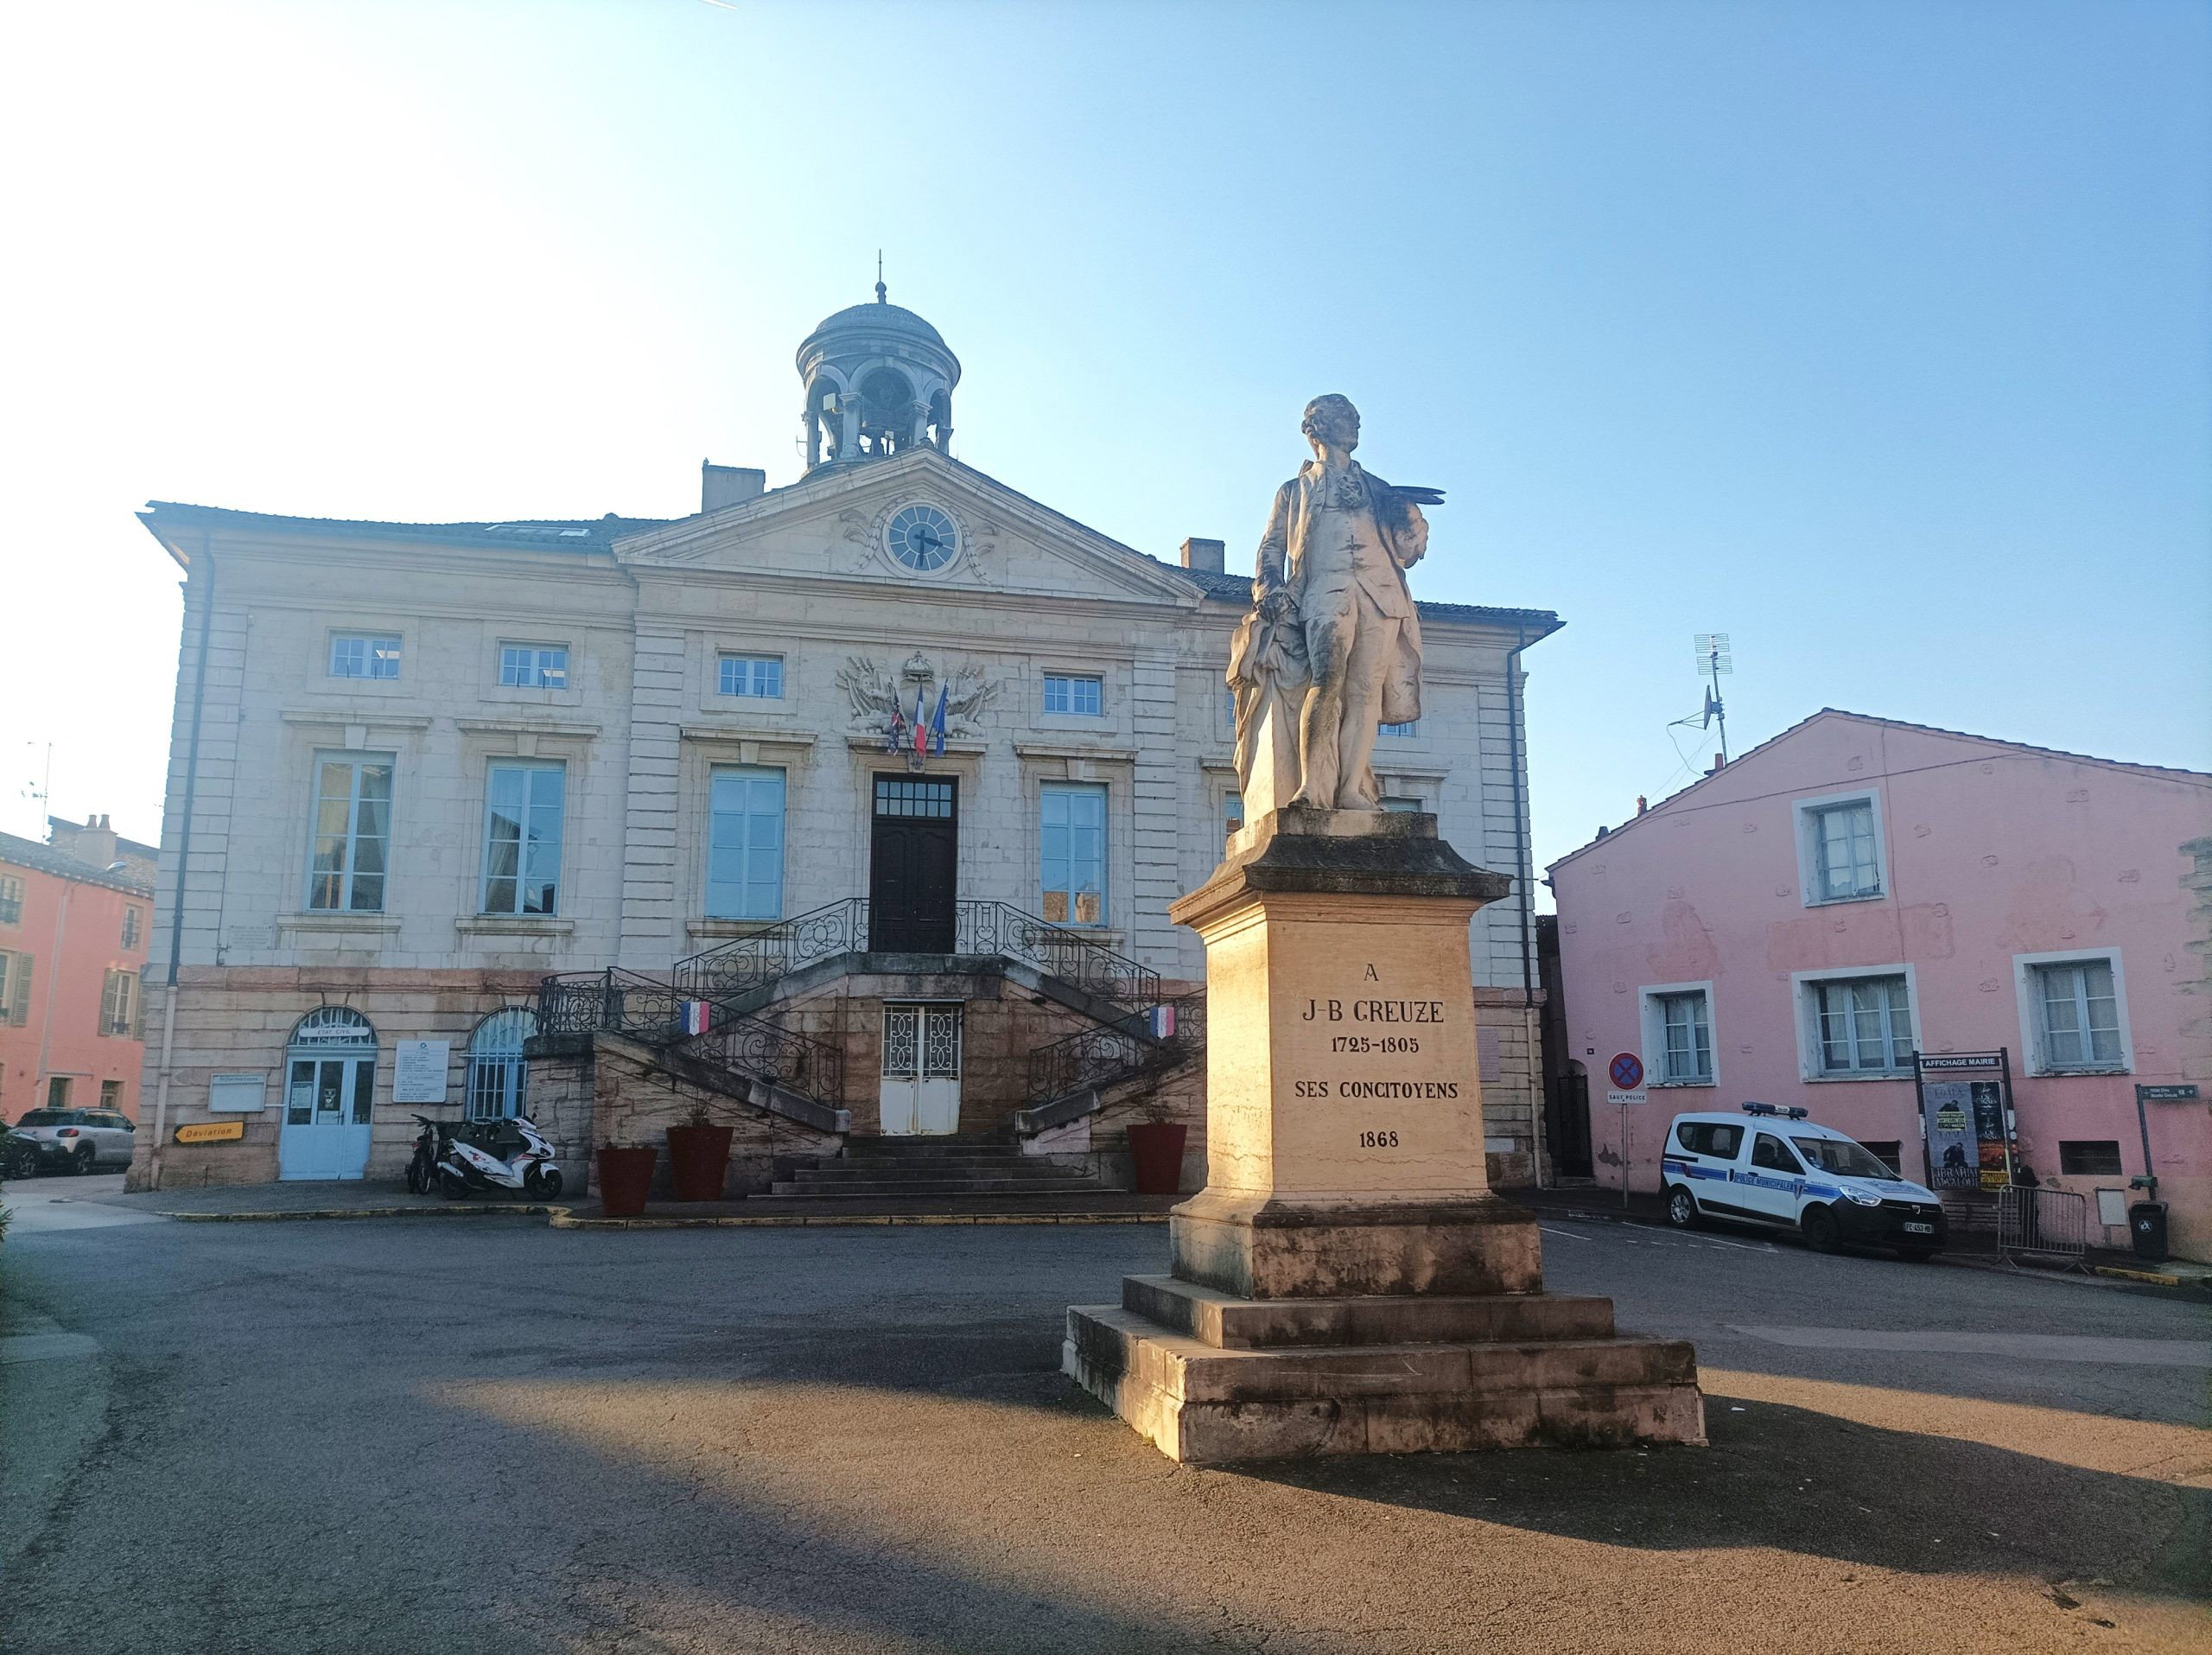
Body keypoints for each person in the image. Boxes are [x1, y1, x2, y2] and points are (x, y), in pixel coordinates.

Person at [1248, 394, 1436, 811]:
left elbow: (1408, 550)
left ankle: (1351, 789)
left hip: (1381, 593)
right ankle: (1313, 787)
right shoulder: (1294, 490)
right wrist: (1270, 588)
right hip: (1325, 590)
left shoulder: (1379, 489)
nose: (1355, 427)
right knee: (1327, 681)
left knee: (1366, 690)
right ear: (1316, 429)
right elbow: (1271, 547)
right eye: (1344, 419)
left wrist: (1414, 523)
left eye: (1355, 420)